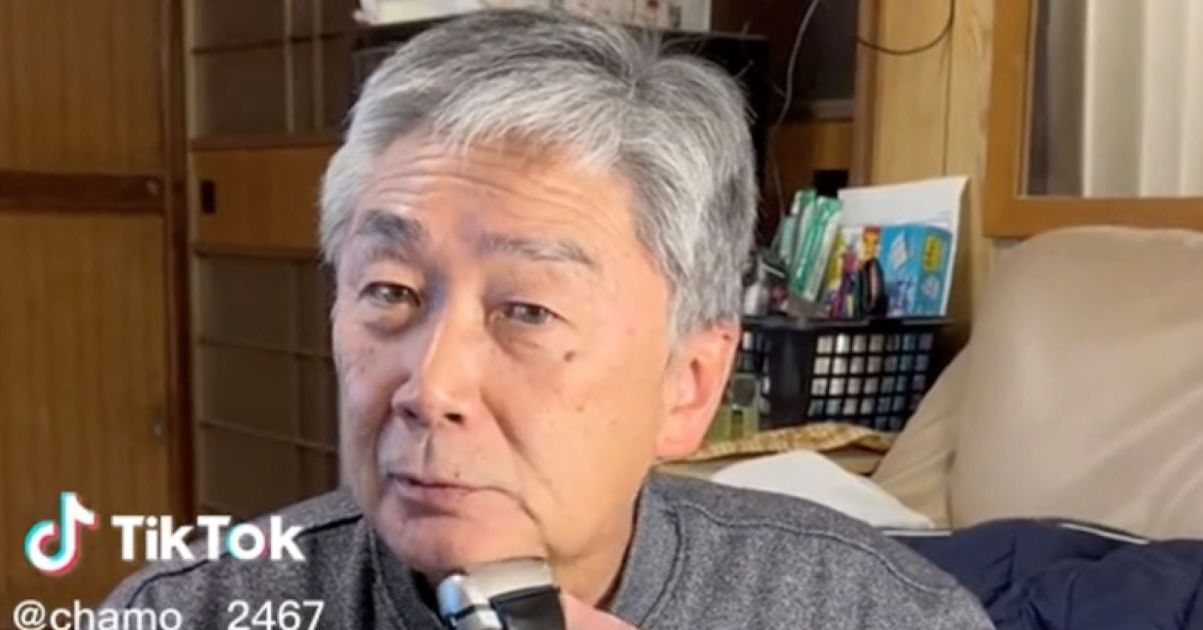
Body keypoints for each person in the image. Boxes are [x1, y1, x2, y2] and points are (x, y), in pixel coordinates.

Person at [103, 9, 992, 629]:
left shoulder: (874, 613)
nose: (431, 387)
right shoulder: (190, 612)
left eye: (526, 309)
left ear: (688, 385)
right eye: (391, 292)